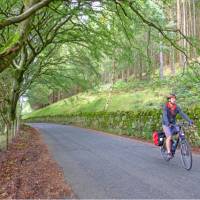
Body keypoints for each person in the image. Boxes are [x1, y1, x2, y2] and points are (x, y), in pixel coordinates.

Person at [162, 94, 193, 159]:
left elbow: (182, 114)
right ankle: (168, 153)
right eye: (172, 98)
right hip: (166, 124)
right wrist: (167, 123)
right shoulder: (166, 106)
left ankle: (177, 144)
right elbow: (164, 116)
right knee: (169, 136)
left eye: (174, 98)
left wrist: (189, 120)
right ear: (169, 100)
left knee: (179, 132)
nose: (174, 100)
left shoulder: (176, 107)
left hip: (173, 123)